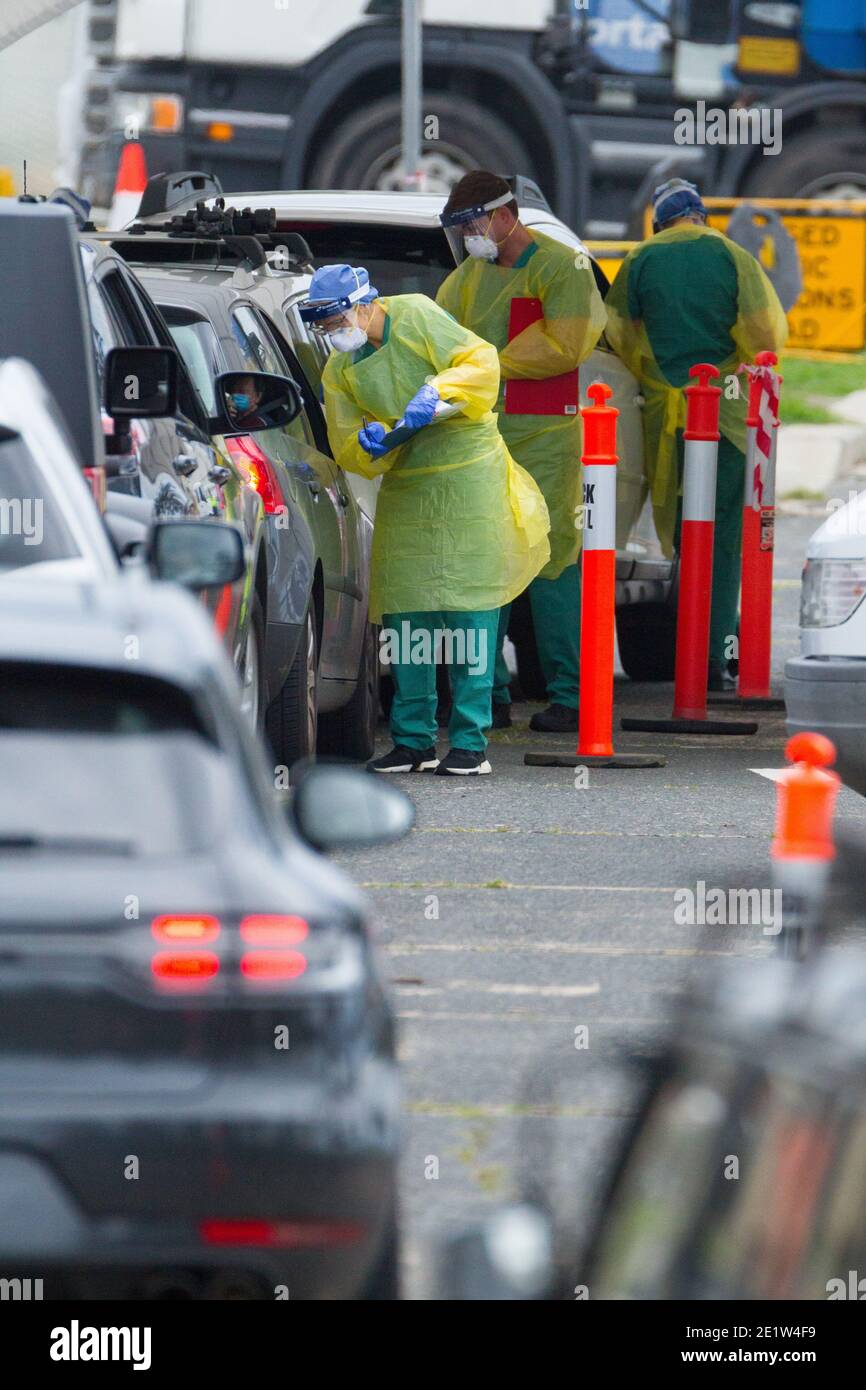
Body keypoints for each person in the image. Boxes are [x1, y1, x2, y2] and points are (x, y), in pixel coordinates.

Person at [300, 263, 550, 775]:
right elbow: (350, 442)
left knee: (469, 608)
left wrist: (439, 393)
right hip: (410, 485)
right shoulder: (340, 371)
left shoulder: (415, 315)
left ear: (364, 303)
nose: (333, 333)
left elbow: (479, 362)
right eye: (324, 327)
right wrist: (372, 445)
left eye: (336, 320)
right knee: (406, 612)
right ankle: (413, 740)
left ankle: (470, 741)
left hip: (468, 477)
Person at [436, 171, 606, 733]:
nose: (468, 237)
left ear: (506, 215)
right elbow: (437, 344)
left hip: (545, 438)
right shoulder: (465, 281)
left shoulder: (563, 267)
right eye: (461, 229)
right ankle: (488, 697)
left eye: (474, 225)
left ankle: (574, 697)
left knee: (553, 561)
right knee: (488, 561)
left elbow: (565, 344)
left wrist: (486, 366)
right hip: (482, 435)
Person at [605, 178, 788, 690]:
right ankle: (714, 661)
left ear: (660, 223)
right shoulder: (732, 256)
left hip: (664, 419)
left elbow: (618, 331)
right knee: (724, 540)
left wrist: (658, 375)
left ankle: (691, 656)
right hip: (725, 416)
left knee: (685, 538)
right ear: (701, 216)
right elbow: (766, 335)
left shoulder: (641, 258)